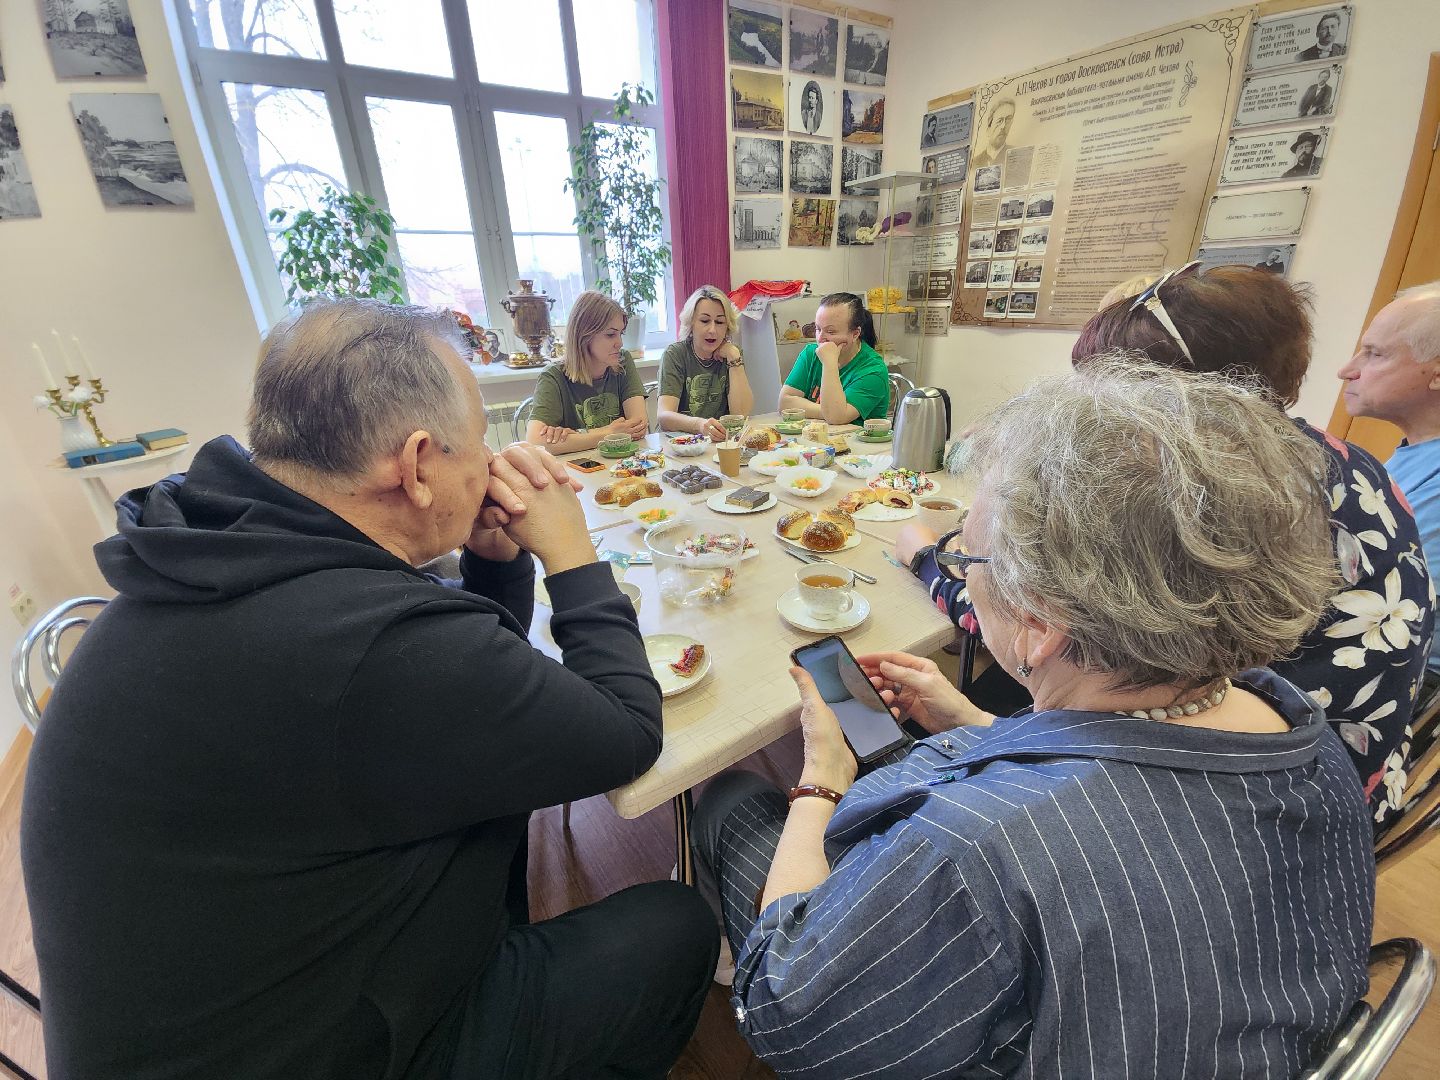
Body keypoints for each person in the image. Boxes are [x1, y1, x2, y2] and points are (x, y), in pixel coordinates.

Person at [21, 300, 718, 1079]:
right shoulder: (377, 645)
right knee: (677, 924)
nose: (488, 465)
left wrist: (491, 562)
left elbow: (458, 683)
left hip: (220, 996)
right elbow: (625, 734)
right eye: (478, 445)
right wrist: (572, 555)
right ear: (416, 465)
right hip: (326, 1051)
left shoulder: (223, 545)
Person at [695, 359, 1374, 1077]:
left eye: (967, 555)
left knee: (732, 802)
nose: (960, 568)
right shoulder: (1295, 724)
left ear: (1039, 622)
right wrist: (975, 723)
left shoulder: (971, 851)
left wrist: (822, 780)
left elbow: (786, 1017)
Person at [905, 263, 1433, 824]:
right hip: (1332, 758)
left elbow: (1052, 624)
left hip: (1264, 797)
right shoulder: (1339, 461)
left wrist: (929, 562)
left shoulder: (1207, 494)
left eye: (1105, 398)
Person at [1337, 281, 1440, 678]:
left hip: (1398, 677)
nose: (1347, 370)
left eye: (1375, 354)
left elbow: (1367, 593)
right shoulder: (1413, 455)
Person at [526, 289, 648, 452]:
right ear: (584, 335)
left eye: (621, 333)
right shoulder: (553, 376)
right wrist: (608, 432)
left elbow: (639, 426)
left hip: (621, 462)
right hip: (577, 466)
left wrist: (578, 436)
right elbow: (535, 441)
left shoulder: (623, 360)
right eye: (610, 334)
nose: (620, 343)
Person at [657, 285, 755, 438]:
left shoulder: (732, 354)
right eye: (705, 321)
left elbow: (741, 414)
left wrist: (734, 356)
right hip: (679, 442)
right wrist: (699, 425)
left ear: (727, 326)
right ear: (691, 323)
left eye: (720, 322)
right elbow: (664, 416)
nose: (712, 330)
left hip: (719, 441)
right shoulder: (675, 354)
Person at [778, 291, 890, 423]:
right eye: (818, 329)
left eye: (831, 332)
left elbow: (836, 417)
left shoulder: (873, 369)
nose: (821, 338)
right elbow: (784, 403)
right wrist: (828, 411)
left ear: (855, 334)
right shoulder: (810, 353)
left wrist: (829, 363)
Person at [969, 97, 1015, 170]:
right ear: (988, 129)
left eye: (1008, 120)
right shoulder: (973, 163)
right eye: (999, 121)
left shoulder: (1015, 155)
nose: (1003, 126)